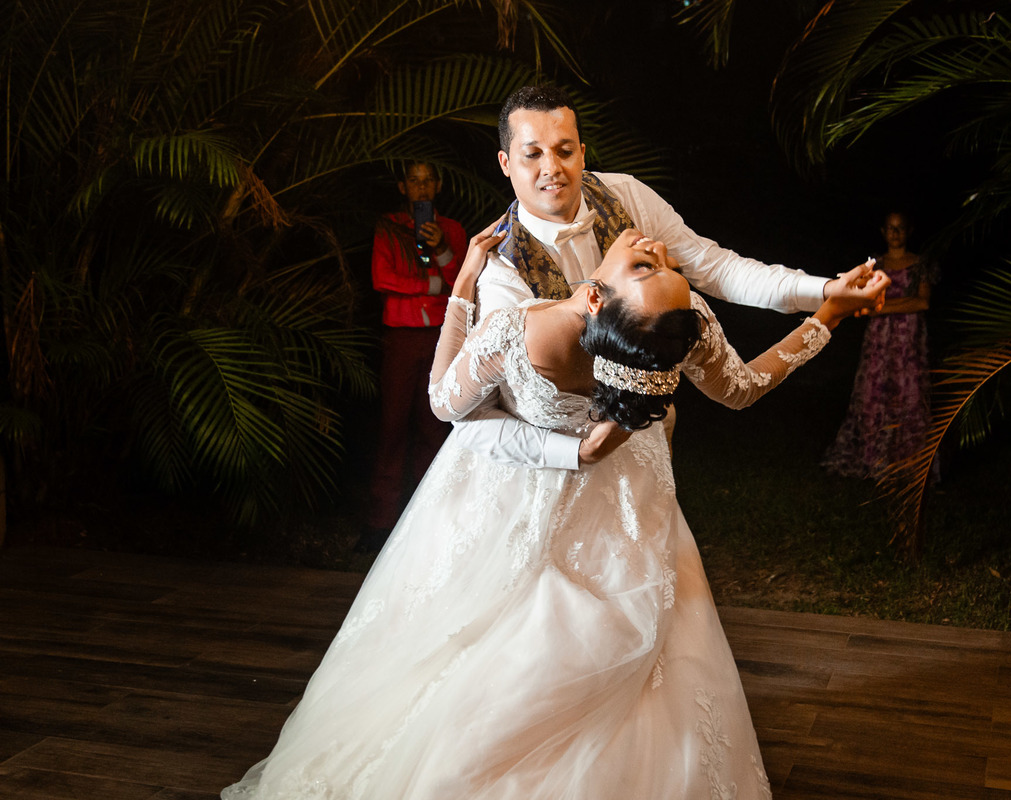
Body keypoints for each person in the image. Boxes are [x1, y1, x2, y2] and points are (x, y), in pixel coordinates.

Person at [220, 228, 881, 799]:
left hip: (521, 502)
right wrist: (824, 320)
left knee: (501, 662)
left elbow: (444, 404)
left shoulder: (522, 328)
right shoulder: (672, 316)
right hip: (630, 509)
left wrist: (462, 285)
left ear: (595, 295)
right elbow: (739, 390)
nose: (657, 255)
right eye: (656, 267)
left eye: (654, 268)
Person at [450, 84, 887, 471]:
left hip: (643, 457)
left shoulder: (624, 194)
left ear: (583, 151)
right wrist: (576, 454)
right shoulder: (499, 269)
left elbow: (713, 266)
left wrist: (825, 291)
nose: (552, 168)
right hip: (541, 469)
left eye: (565, 150)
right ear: (506, 163)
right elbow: (469, 413)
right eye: (533, 154)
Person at [361, 161, 466, 549]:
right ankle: (379, 524)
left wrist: (439, 248)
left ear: (438, 185)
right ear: (403, 187)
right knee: (392, 427)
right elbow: (381, 278)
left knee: (433, 428)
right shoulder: (388, 227)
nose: (421, 188)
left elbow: (461, 283)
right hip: (401, 337)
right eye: (414, 181)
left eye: (428, 181)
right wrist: (431, 283)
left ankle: (428, 523)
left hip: (440, 338)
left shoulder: (452, 231)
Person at [822, 210, 936, 478]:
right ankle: (875, 459)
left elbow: (922, 302)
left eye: (900, 228)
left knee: (910, 394)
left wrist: (882, 308)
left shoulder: (920, 264)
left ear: (908, 231)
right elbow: (864, 305)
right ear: (884, 232)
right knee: (874, 394)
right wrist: (885, 307)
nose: (895, 234)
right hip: (879, 341)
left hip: (909, 342)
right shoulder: (875, 267)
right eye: (890, 229)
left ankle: (911, 464)